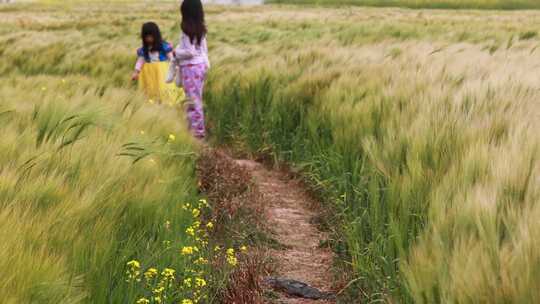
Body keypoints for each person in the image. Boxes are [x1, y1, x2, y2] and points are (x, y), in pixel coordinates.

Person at [166, 0, 210, 139]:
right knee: (196, 99)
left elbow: (189, 52)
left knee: (192, 101)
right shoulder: (201, 28)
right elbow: (203, 50)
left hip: (190, 68)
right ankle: (196, 129)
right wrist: (206, 64)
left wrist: (175, 53)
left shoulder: (186, 30)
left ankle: (197, 133)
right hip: (200, 66)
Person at [132, 22, 183, 104]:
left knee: (162, 87)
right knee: (150, 88)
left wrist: (176, 68)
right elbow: (140, 60)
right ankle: (152, 104)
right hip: (148, 72)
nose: (148, 39)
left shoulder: (163, 46)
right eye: (146, 36)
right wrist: (136, 71)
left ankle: (165, 102)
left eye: (150, 36)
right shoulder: (144, 49)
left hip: (162, 71)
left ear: (156, 35)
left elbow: (171, 59)